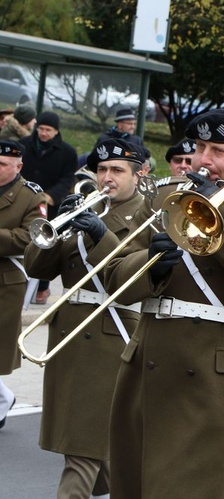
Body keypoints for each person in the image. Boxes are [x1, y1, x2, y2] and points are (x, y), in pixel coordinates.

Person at [102, 108, 224, 498]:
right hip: (150, 362)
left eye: (219, 151)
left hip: (213, 375)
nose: (204, 160)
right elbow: (113, 279)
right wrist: (150, 267)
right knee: (136, 485)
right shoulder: (164, 195)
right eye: (200, 147)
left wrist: (219, 209)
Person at [24, 138, 149, 499]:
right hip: (70, 334)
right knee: (92, 445)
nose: (106, 178)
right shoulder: (85, 207)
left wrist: (100, 234)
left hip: (113, 335)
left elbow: (136, 279)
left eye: (117, 171)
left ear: (139, 174)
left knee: (81, 449)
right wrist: (57, 230)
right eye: (102, 169)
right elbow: (37, 266)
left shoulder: (152, 214)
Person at [0, 140, 46, 433]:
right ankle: (4, 398)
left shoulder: (31, 196)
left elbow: (33, 237)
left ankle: (3, 399)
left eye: (3, 164)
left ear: (19, 166)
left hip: (6, 281)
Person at [19, 111, 78, 305]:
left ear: (56, 131)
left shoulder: (68, 152)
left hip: (50, 205)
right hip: (23, 198)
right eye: (41, 129)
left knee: (45, 245)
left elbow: (68, 177)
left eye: (48, 130)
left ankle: (42, 288)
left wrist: (51, 196)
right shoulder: (24, 144)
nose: (43, 133)